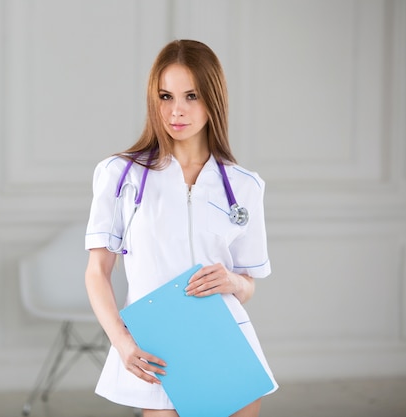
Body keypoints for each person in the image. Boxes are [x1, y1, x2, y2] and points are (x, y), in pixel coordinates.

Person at [84, 39, 278, 417]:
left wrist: (232, 282)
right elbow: (97, 272)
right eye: (165, 96)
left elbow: (247, 284)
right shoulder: (119, 175)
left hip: (225, 341)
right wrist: (123, 343)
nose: (176, 111)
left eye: (191, 95)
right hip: (159, 347)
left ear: (213, 99)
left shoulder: (244, 186)